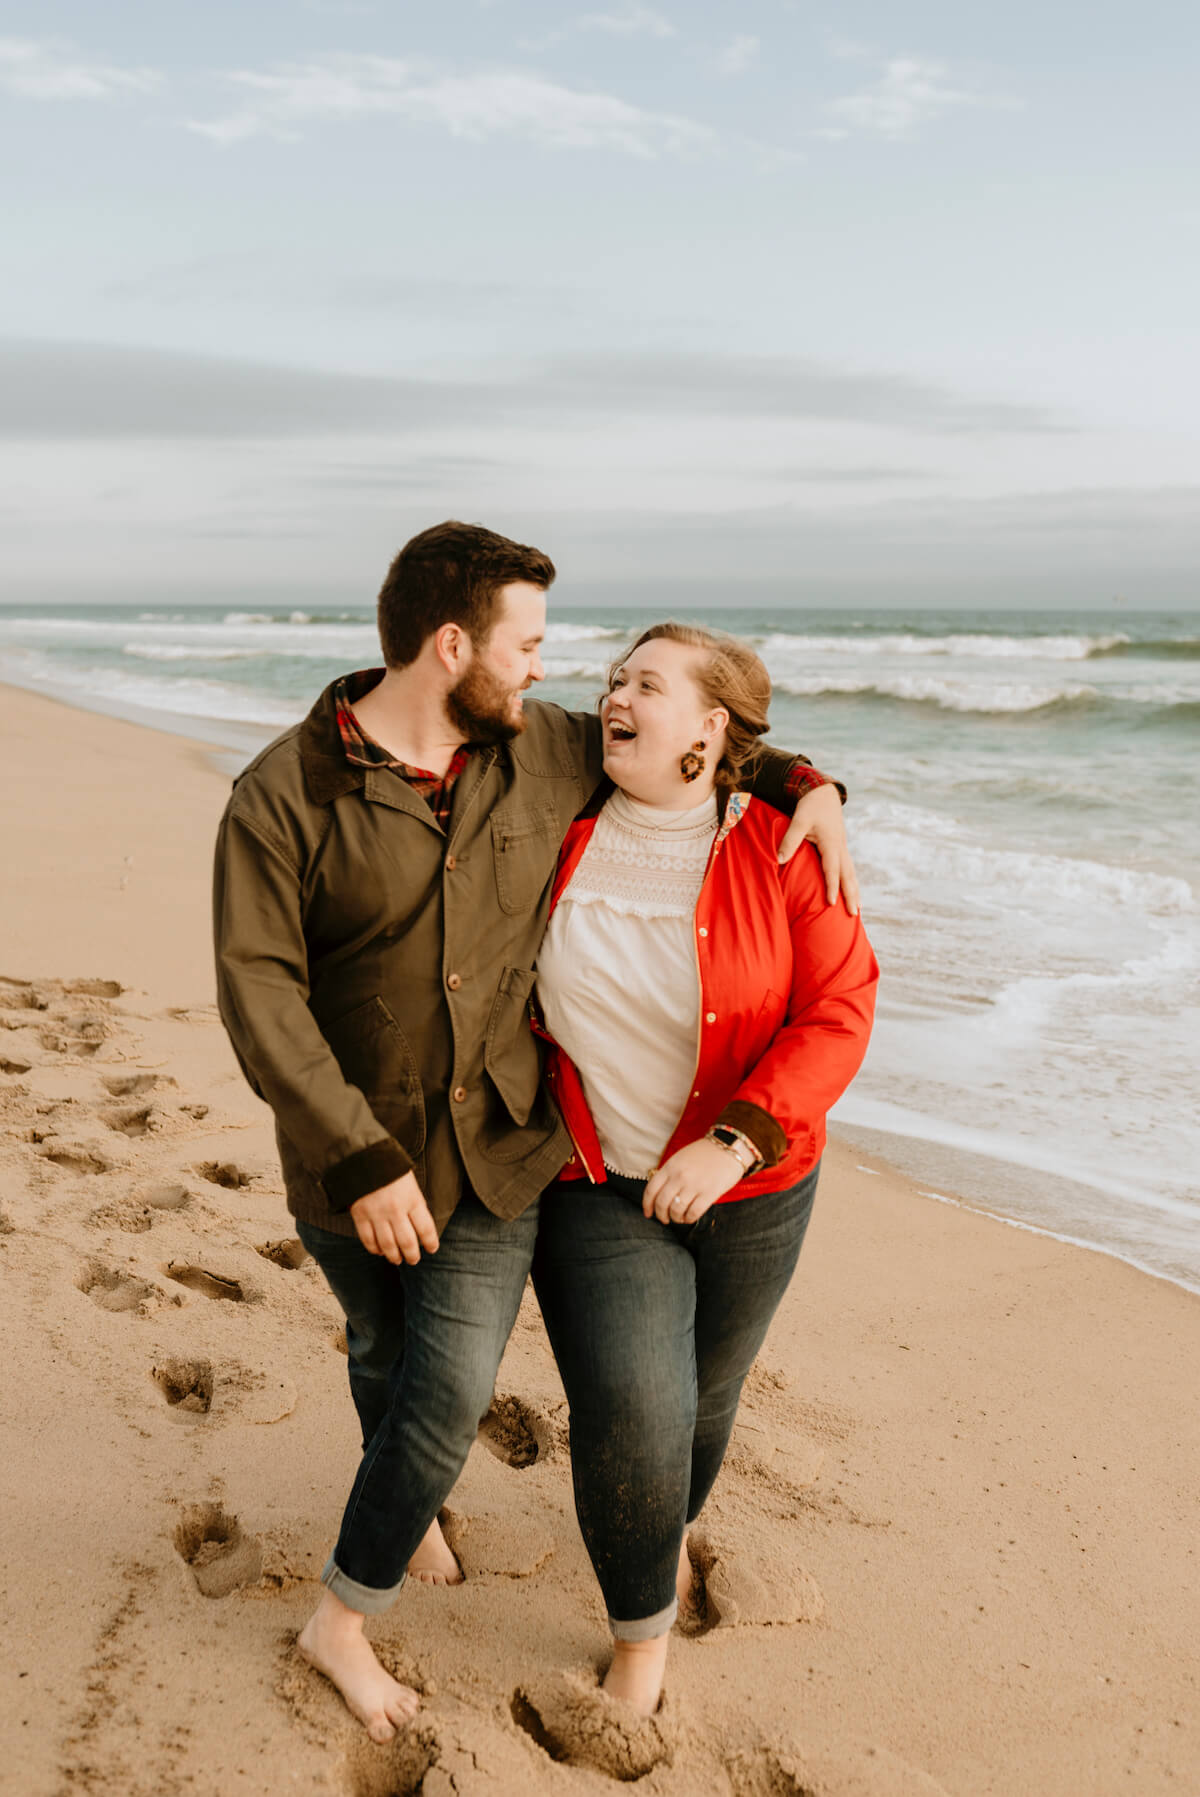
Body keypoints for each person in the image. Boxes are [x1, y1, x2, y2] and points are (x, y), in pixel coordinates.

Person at [212, 522, 856, 1743]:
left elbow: (712, 769)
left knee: (555, 1392)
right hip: (430, 1158)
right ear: (453, 646)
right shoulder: (292, 794)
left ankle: (475, 1564)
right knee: (397, 1355)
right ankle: (438, 1544)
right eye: (535, 647)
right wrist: (355, 1156)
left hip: (602, 1159)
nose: (562, 676)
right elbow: (259, 992)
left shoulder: (545, 754)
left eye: (590, 664)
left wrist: (805, 784)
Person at [532, 622, 878, 1717]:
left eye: (645, 684)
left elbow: (839, 1011)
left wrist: (733, 1141)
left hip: (759, 1186)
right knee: (631, 1404)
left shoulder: (781, 845)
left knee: (706, 1397)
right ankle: (641, 1642)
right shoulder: (553, 817)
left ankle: (666, 1531)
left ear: (710, 727)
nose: (614, 698)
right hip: (595, 1178)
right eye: (612, 680)